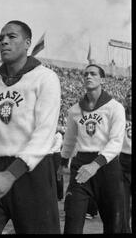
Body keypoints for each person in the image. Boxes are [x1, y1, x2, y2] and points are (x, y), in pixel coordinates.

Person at [0, 20, 61, 234]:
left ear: (27, 43)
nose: (4, 42)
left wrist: (12, 174)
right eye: (1, 38)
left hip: (31, 170)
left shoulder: (46, 78)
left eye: (11, 36)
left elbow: (45, 133)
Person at [58, 64, 126, 234]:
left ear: (102, 79)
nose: (88, 76)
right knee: (72, 221)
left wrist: (96, 165)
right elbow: (69, 139)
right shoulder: (74, 110)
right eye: (86, 74)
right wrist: (62, 162)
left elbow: (116, 142)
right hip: (81, 164)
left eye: (93, 74)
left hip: (106, 167)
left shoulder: (115, 107)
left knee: (114, 225)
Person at [120, 89, 131, 232]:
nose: (130, 98)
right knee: (123, 203)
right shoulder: (120, 114)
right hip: (122, 160)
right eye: (128, 95)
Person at [52, 126, 65, 201]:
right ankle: (54, 194)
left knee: (58, 176)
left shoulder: (59, 135)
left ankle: (60, 196)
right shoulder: (50, 135)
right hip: (50, 155)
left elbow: (57, 146)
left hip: (56, 156)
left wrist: (48, 150)